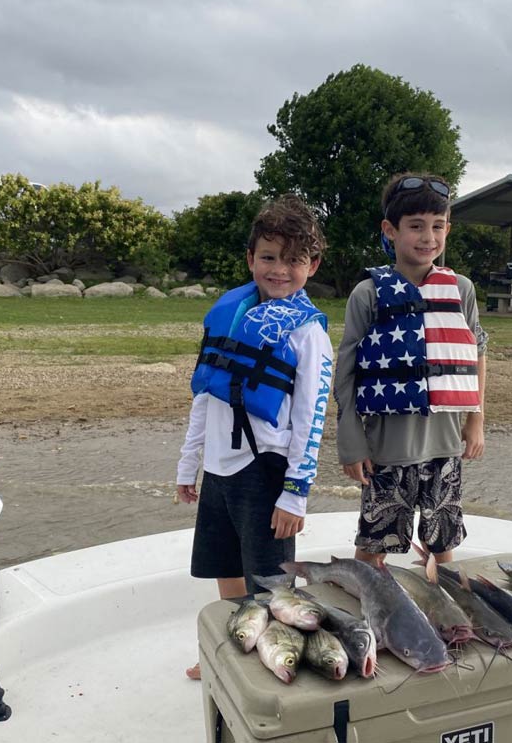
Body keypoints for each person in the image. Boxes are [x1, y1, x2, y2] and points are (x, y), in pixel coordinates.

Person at [174, 195, 333, 680]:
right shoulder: (231, 315)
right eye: (268, 256)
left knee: (268, 583)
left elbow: (312, 418)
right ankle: (227, 654)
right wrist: (189, 463)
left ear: (313, 264)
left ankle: (270, 662)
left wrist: (295, 495)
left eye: (293, 259)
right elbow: (206, 394)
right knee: (225, 570)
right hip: (220, 471)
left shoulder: (308, 335)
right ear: (250, 259)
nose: (279, 269)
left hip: (266, 474)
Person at [334, 172, 487, 569]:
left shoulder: (462, 289)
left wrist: (477, 420)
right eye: (415, 226)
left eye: (437, 227)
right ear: (390, 230)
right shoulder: (367, 293)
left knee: (443, 544)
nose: (427, 237)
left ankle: (445, 618)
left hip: (446, 447)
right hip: (387, 450)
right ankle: (367, 618)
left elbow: (477, 353)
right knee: (374, 545)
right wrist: (351, 440)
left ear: (448, 229)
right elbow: (347, 371)